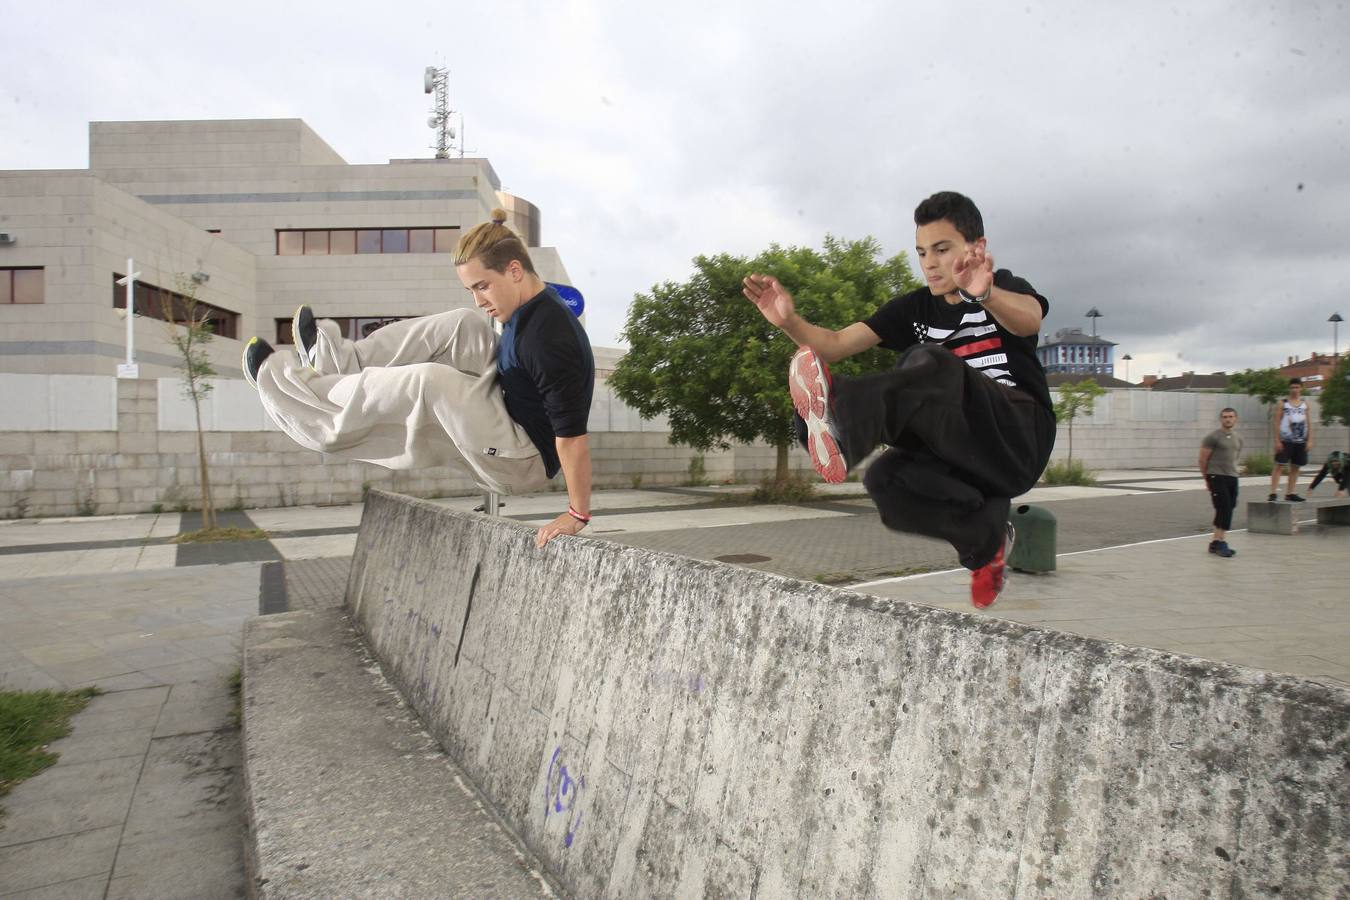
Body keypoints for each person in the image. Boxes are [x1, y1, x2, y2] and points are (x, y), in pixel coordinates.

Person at [743, 191, 1056, 608]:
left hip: (1019, 436)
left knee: (928, 363)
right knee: (886, 481)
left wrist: (987, 294)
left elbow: (1030, 318)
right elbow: (834, 345)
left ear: (976, 247)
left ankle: (840, 425)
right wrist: (788, 321)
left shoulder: (1006, 288)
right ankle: (986, 539)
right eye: (922, 251)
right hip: (971, 459)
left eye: (942, 249)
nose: (929, 262)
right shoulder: (914, 308)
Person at [240, 210, 595, 547]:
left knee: (430, 383)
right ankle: (339, 360)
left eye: (483, 286)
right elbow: (500, 258)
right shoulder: (530, 297)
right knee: (462, 324)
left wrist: (576, 513)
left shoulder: (550, 341)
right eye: (472, 288)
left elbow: (572, 438)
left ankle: (298, 395)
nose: (479, 300)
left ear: (515, 271)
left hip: (522, 458)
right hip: (508, 404)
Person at [1199, 407, 1243, 557]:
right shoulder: (1213, 437)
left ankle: (1215, 542)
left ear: (1236, 418)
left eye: (1231, 416)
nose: (1228, 419)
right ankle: (1221, 542)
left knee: (1228, 507)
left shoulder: (1238, 438)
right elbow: (1203, 459)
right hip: (1216, 476)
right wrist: (1207, 479)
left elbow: (1235, 457)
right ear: (1221, 419)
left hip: (1232, 477)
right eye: (1225, 417)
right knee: (1224, 508)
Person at [1268, 377, 1311, 502]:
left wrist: (1310, 440)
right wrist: (1277, 440)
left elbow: (1309, 423)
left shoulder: (1304, 404)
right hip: (1286, 440)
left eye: (1297, 387)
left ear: (1301, 388)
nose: (1295, 390)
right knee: (1279, 465)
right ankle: (1273, 492)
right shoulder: (1283, 403)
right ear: (1289, 388)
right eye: (1292, 387)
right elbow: (1276, 422)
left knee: (1296, 466)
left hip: (1300, 440)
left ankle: (1290, 492)